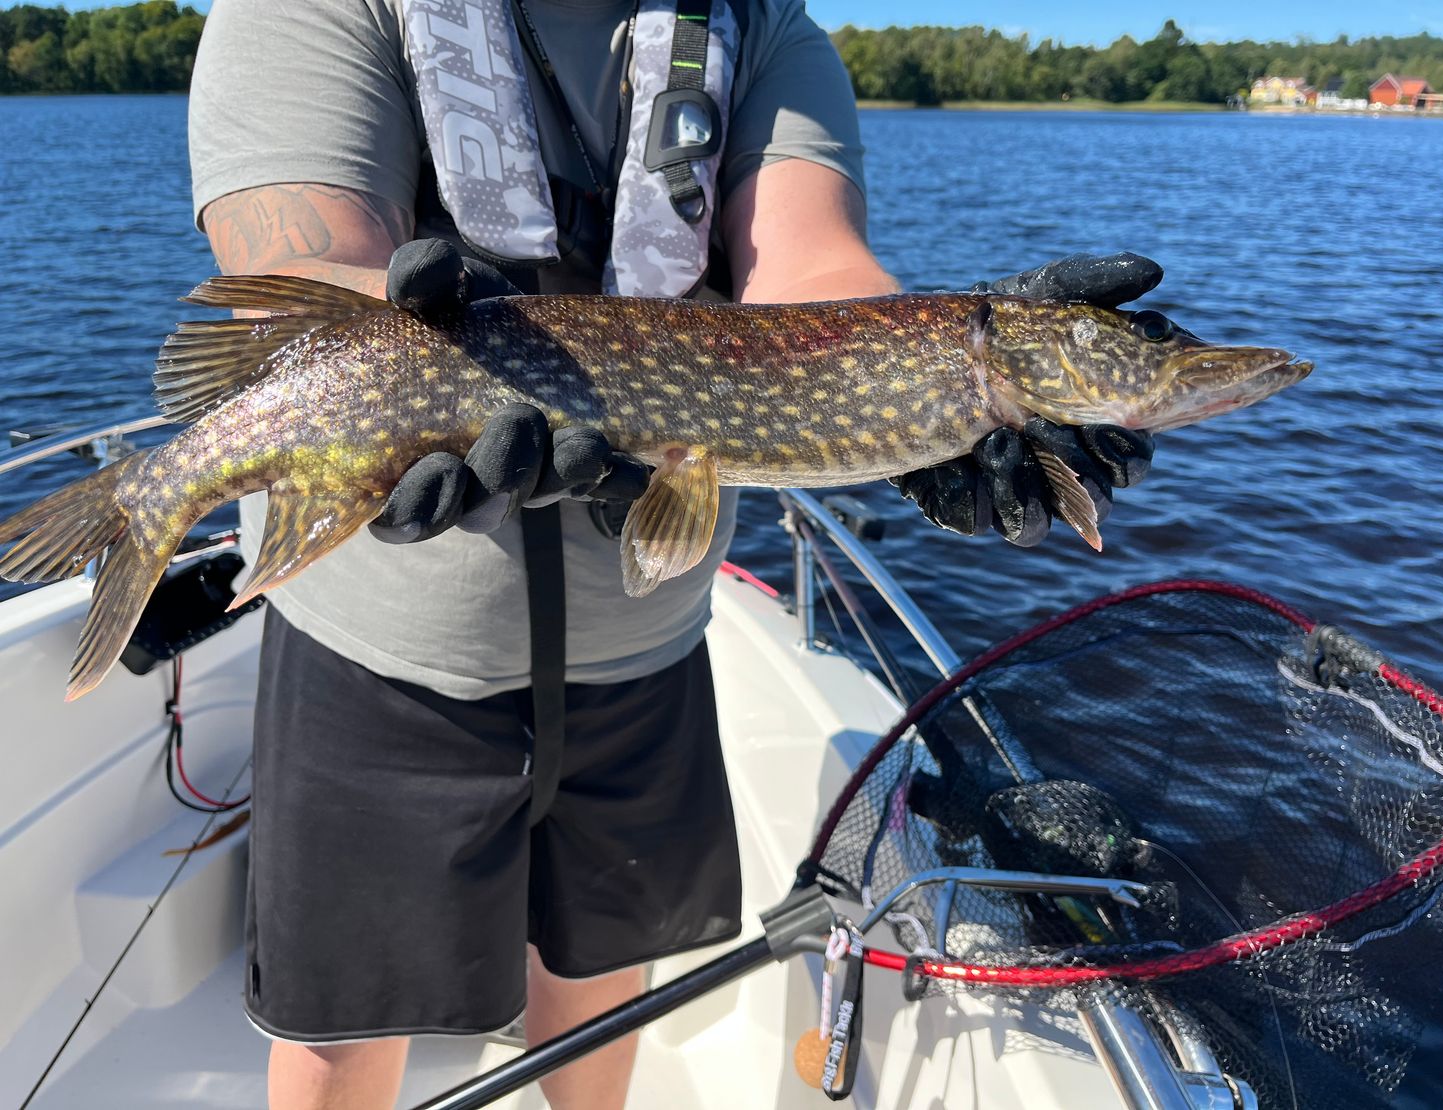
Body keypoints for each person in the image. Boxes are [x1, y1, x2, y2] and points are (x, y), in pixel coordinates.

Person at [187, 2, 1157, 1107]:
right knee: (346, 1023)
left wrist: (946, 374)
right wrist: (403, 337)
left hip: (644, 645)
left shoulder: (759, 25)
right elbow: (300, 261)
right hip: (384, 654)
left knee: (601, 973)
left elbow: (810, 269)